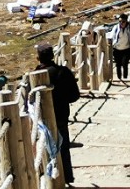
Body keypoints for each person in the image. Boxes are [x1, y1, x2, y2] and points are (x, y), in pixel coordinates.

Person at [35, 44, 80, 184]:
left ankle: (50, 181)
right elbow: (75, 95)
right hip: (61, 115)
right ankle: (67, 177)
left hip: (42, 118)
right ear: (53, 56)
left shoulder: (36, 74)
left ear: (38, 58)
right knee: (63, 146)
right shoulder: (63, 72)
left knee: (45, 148)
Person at [111, 14, 130, 81]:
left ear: (126, 21)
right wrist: (112, 45)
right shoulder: (116, 28)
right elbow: (112, 36)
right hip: (117, 49)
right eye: (120, 21)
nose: (121, 23)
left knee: (125, 63)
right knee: (118, 64)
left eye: (123, 21)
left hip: (126, 49)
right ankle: (119, 78)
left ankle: (125, 77)